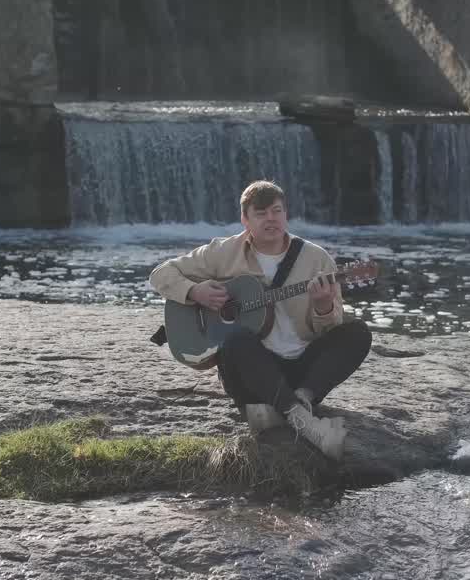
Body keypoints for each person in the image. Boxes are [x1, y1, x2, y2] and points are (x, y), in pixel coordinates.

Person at [148, 180, 372, 460]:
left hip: (303, 371)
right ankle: (302, 420)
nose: (271, 219)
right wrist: (195, 291)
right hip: (251, 372)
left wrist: (323, 305)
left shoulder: (316, 260)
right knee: (236, 339)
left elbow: (331, 329)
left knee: (357, 332)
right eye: (261, 213)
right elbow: (160, 274)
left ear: (286, 214)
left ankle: (297, 401)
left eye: (277, 211)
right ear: (245, 220)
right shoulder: (223, 252)